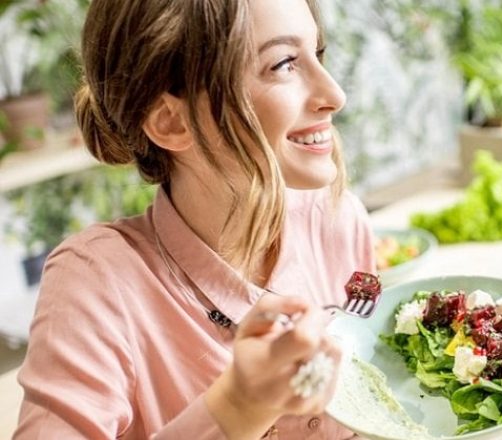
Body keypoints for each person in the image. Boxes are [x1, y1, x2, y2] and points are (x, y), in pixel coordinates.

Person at [14, 0, 375, 438]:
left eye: (316, 55)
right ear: (170, 121)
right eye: (283, 64)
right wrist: (238, 406)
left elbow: (373, 382)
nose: (335, 95)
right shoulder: (96, 281)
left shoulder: (339, 220)